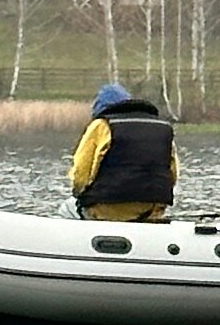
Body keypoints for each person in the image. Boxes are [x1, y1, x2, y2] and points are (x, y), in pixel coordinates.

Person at [68, 79, 176, 221]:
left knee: (68, 207)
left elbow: (82, 172)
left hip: (107, 208)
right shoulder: (164, 128)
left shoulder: (102, 125)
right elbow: (173, 172)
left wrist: (79, 194)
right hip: (152, 208)